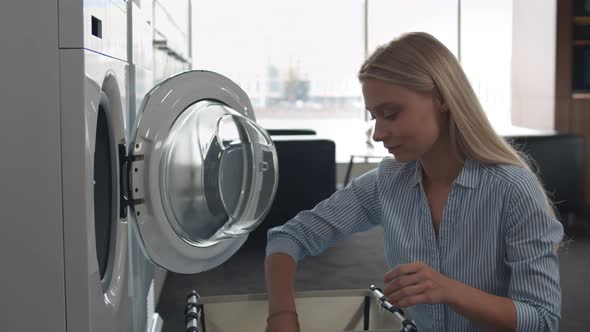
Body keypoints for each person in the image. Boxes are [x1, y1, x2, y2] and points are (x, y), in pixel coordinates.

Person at [263, 32, 564, 332]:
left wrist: (449, 291)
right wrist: (282, 316)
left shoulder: (512, 189)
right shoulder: (387, 182)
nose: (378, 133)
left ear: (442, 99)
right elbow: (289, 238)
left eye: (391, 114)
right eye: (374, 117)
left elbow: (542, 320)